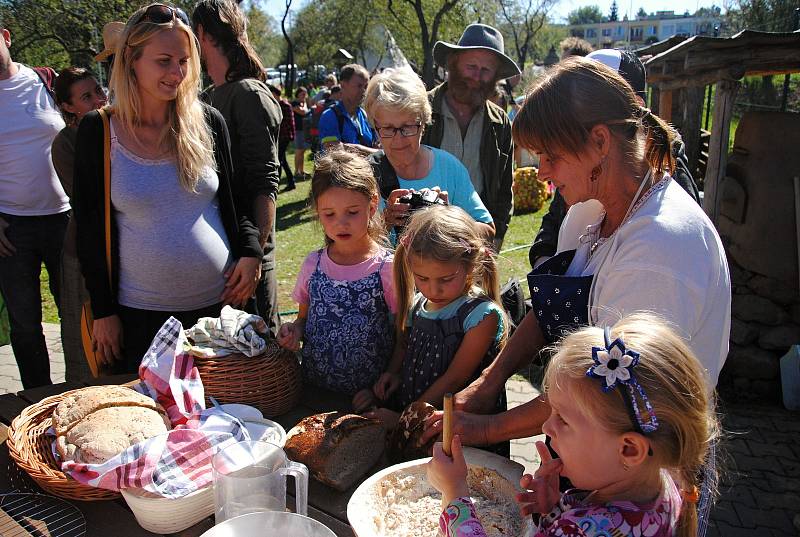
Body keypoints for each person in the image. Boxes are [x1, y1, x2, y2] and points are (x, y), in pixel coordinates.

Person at [422, 57, 730, 456]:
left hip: (640, 473)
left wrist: (488, 429)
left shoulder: (659, 247)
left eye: (551, 155)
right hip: (588, 446)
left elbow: (606, 388)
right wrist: (489, 382)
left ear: (600, 142)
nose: (543, 172)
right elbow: (549, 309)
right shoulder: (587, 211)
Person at [73, 3, 262, 372]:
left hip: (220, 313)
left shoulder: (209, 120)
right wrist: (104, 311)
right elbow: (89, 229)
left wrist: (251, 253)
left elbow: (236, 204)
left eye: (184, 61)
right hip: (141, 319)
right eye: (163, 61)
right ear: (131, 59)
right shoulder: (99, 131)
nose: (176, 73)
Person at [428, 313, 719, 537]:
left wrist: (454, 492)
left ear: (630, 449)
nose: (546, 428)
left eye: (563, 420)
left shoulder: (578, 531)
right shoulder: (664, 484)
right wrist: (556, 511)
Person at [529, 48, 701, 269]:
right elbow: (553, 222)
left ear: (635, 105)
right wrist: (545, 264)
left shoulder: (667, 188)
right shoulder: (578, 171)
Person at [358, 205, 507, 428]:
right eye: (422, 278)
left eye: (446, 279)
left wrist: (405, 420)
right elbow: (404, 347)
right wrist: (393, 374)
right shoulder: (418, 304)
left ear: (470, 265)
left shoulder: (481, 316)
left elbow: (454, 379)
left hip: (455, 429)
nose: (433, 290)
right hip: (416, 420)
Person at [192, 0, 282, 337]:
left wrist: (254, 255)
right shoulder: (208, 96)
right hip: (218, 256)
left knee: (258, 349)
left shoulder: (248, 94)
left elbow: (264, 182)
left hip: (248, 260)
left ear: (202, 33)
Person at [277, 150, 396, 404]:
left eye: (352, 212)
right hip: (313, 392)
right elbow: (302, 319)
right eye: (329, 214)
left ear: (372, 205)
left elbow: (404, 336)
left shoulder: (386, 268)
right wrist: (294, 332)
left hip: (366, 399)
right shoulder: (314, 264)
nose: (340, 224)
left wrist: (382, 385)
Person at [0, 20, 69, 388]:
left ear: (6, 37)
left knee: (75, 317)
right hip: (12, 228)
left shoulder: (47, 81)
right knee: (25, 324)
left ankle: (82, 388)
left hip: (65, 220)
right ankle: (37, 400)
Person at [363, 68, 495, 241]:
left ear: (423, 123)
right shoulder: (364, 176)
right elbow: (348, 250)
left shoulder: (449, 168)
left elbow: (488, 230)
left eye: (407, 127)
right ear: (375, 126)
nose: (398, 139)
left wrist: (448, 220)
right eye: (388, 129)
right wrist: (385, 223)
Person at [424, 23, 519, 249]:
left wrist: (495, 240)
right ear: (453, 64)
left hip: (476, 240)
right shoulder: (422, 109)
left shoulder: (500, 122)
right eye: (471, 66)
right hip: (424, 237)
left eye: (486, 70)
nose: (477, 76)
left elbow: (504, 189)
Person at [51, 67, 107, 381]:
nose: (99, 100)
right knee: (88, 337)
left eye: (98, 90)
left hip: (126, 246)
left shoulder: (122, 127)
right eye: (87, 97)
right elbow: (90, 198)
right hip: (86, 251)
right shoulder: (65, 143)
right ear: (68, 107)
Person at [318, 63, 378, 155]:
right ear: (343, 85)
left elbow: (378, 148)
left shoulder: (365, 115)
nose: (364, 91)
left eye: (366, 87)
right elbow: (334, 152)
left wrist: (349, 147)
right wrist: (371, 151)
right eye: (359, 86)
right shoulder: (329, 116)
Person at [268, 83, 296, 190]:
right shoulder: (274, 105)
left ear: (274, 93)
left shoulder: (285, 105)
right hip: (278, 137)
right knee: (282, 160)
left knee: (279, 160)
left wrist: (291, 136)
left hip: (284, 137)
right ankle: (291, 182)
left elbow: (291, 123)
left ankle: (276, 184)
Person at [291, 86, 310, 182]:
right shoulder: (294, 103)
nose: (304, 95)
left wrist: (304, 106)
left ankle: (301, 171)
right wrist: (304, 107)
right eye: (302, 93)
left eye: (305, 93)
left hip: (304, 130)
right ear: (297, 94)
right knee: (298, 151)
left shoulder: (303, 103)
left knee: (302, 151)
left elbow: (305, 110)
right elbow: (303, 112)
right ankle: (296, 172)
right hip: (298, 130)